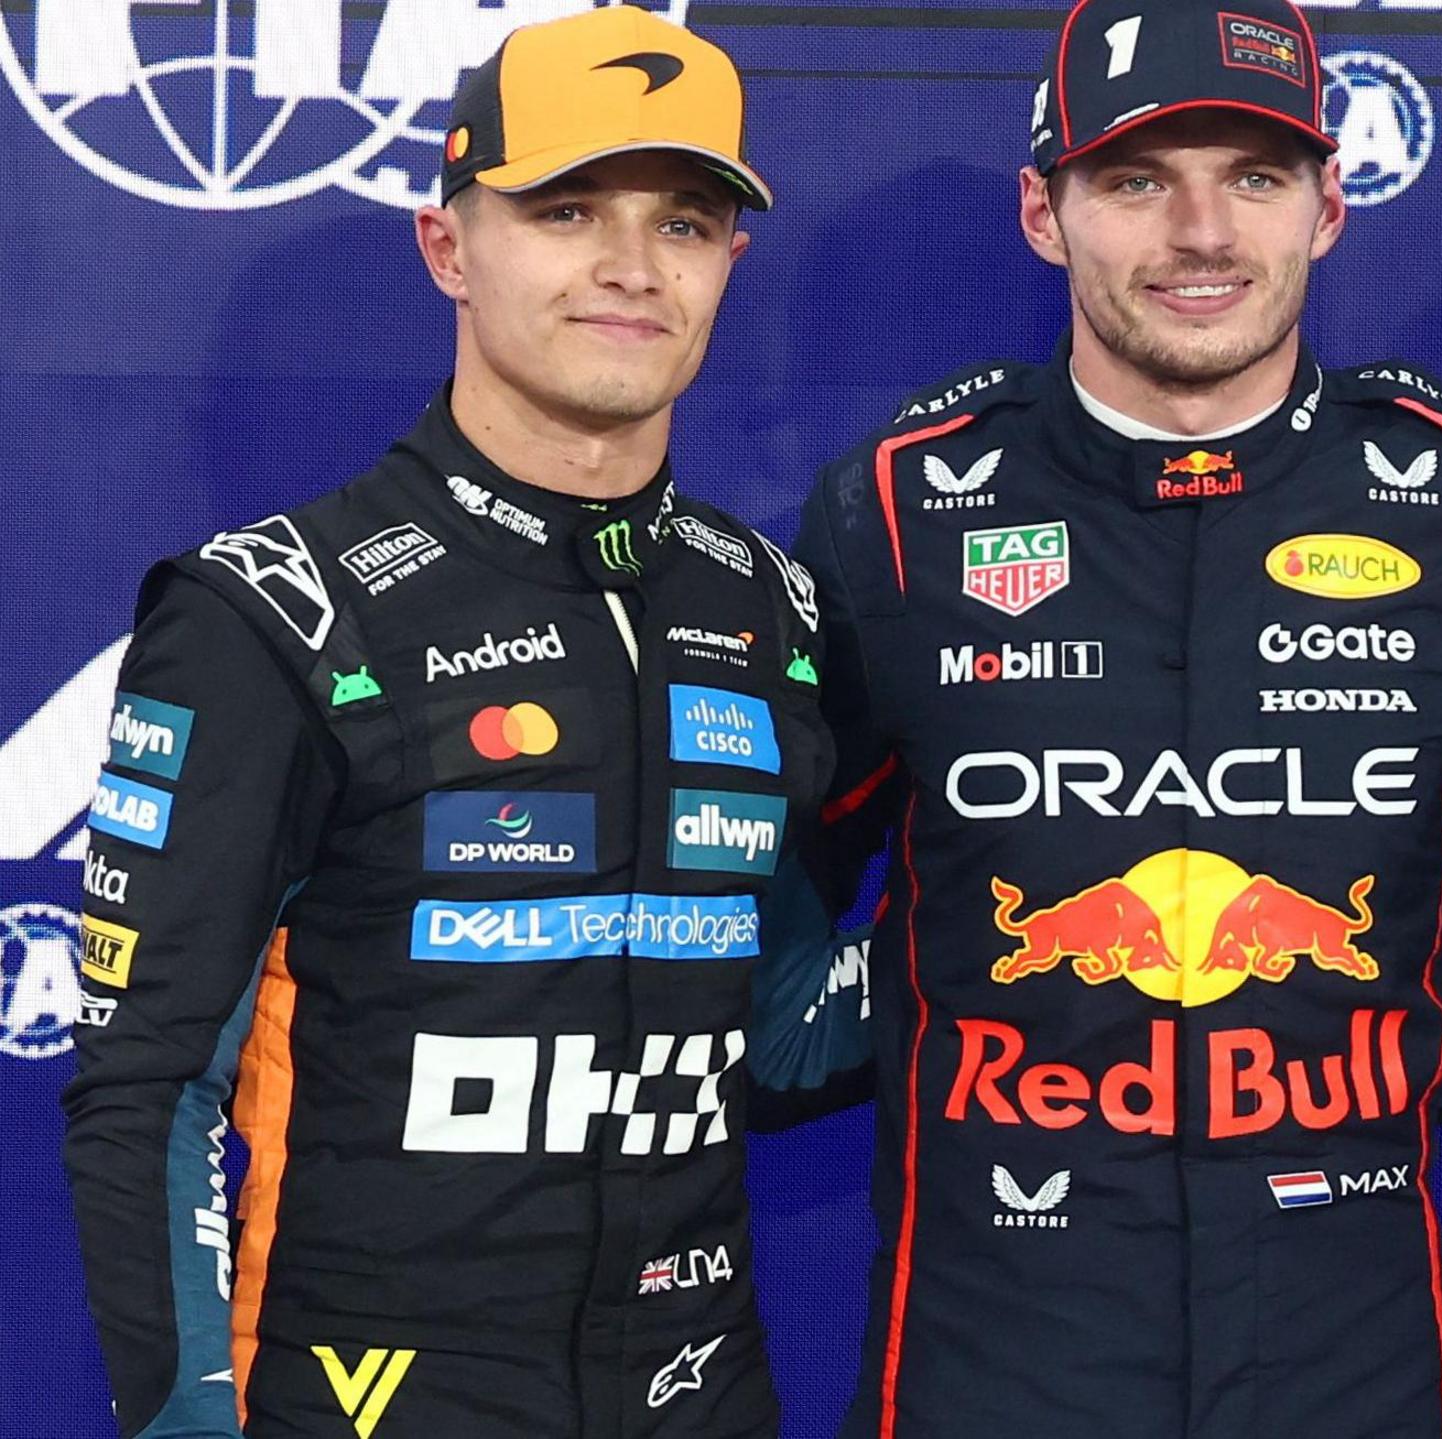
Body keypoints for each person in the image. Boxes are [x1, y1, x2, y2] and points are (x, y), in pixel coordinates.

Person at [778, 1, 1442, 1433]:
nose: (1202, 233)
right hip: (994, 1363)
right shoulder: (893, 512)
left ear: (1329, 207)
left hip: (1350, 1366)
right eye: (1139, 180)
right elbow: (761, 884)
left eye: (1254, 179)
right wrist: (910, 1017)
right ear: (1044, 210)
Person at [62, 9, 842, 1436]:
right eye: (563, 209)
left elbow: (777, 1030)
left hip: (704, 1393)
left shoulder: (771, 606)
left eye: (683, 221)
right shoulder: (271, 614)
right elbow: (149, 1089)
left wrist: (1031, 955)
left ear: (729, 260)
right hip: (369, 1400)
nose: (628, 265)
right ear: (448, 247)